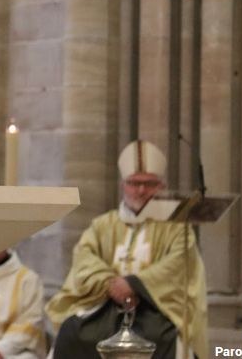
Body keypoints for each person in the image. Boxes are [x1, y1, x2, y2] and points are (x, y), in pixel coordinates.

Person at [45, 139, 208, 359]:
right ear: (123, 185)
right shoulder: (102, 225)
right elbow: (84, 259)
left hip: (152, 309)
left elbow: (180, 265)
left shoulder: (176, 227)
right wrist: (110, 283)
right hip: (105, 306)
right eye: (134, 183)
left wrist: (133, 284)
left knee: (164, 338)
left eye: (150, 184)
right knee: (71, 332)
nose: (141, 190)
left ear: (161, 186)